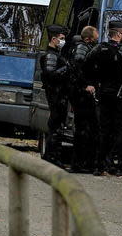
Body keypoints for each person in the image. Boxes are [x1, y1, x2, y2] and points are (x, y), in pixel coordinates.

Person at [86, 21, 122, 175]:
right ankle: (118, 165)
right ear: (119, 34)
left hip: (103, 93)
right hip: (119, 96)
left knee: (104, 130)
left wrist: (92, 83)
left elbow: (86, 65)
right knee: (120, 130)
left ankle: (99, 165)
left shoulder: (99, 49)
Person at [39, 24, 72, 167]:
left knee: (57, 126)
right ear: (53, 39)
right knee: (56, 127)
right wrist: (67, 68)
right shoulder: (51, 56)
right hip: (55, 95)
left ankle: (51, 156)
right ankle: (52, 157)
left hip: (59, 94)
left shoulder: (56, 55)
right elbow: (50, 75)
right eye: (61, 38)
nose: (63, 41)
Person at [69, 26, 101, 173]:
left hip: (83, 93)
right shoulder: (82, 48)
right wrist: (85, 85)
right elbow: (77, 67)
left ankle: (84, 162)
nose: (97, 39)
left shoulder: (84, 48)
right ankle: (79, 163)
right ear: (89, 38)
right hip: (82, 95)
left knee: (88, 128)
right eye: (95, 37)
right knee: (84, 128)